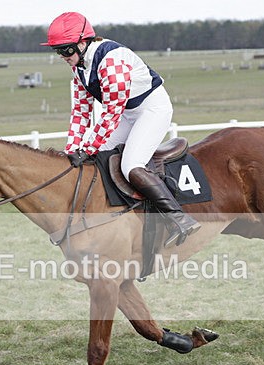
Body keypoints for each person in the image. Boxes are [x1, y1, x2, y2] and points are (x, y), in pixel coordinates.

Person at [42, 12, 200, 247]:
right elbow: (80, 114)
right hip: (126, 113)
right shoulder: (79, 68)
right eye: (58, 51)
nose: (63, 56)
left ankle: (179, 218)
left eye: (66, 50)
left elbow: (110, 114)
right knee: (94, 159)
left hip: (151, 110)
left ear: (83, 43)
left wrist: (88, 146)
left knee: (130, 165)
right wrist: (73, 151)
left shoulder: (111, 61)